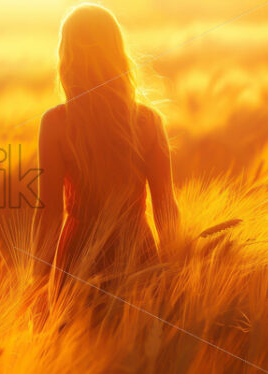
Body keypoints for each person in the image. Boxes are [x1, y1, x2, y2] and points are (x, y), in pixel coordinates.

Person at [33, 4, 179, 283]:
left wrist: (36, 282)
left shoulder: (54, 124)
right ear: (117, 52)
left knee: (77, 327)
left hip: (78, 261)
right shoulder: (149, 121)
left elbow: (48, 215)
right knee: (142, 325)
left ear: (66, 55)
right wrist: (179, 272)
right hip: (139, 257)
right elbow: (166, 207)